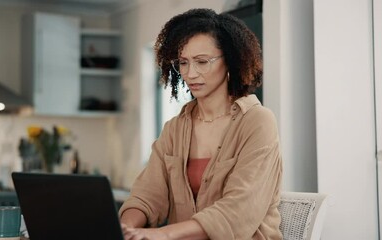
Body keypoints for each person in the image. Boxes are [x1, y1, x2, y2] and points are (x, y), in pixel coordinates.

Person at [119, 8, 283, 240]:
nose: (190, 73)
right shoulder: (175, 129)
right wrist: (126, 229)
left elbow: (236, 212)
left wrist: (163, 235)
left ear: (230, 60)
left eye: (202, 62)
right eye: (183, 63)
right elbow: (147, 195)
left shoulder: (258, 122)